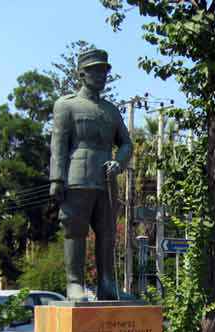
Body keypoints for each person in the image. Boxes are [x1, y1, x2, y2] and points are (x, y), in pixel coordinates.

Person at [49, 49, 132, 301]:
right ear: (81, 74)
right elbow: (59, 144)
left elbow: (126, 143)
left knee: (106, 232)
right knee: (75, 229)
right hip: (78, 176)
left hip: (106, 180)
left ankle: (107, 285)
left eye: (104, 71)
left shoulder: (111, 110)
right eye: (95, 70)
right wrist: (56, 179)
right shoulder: (67, 105)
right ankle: (74, 283)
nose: (101, 75)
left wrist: (118, 162)